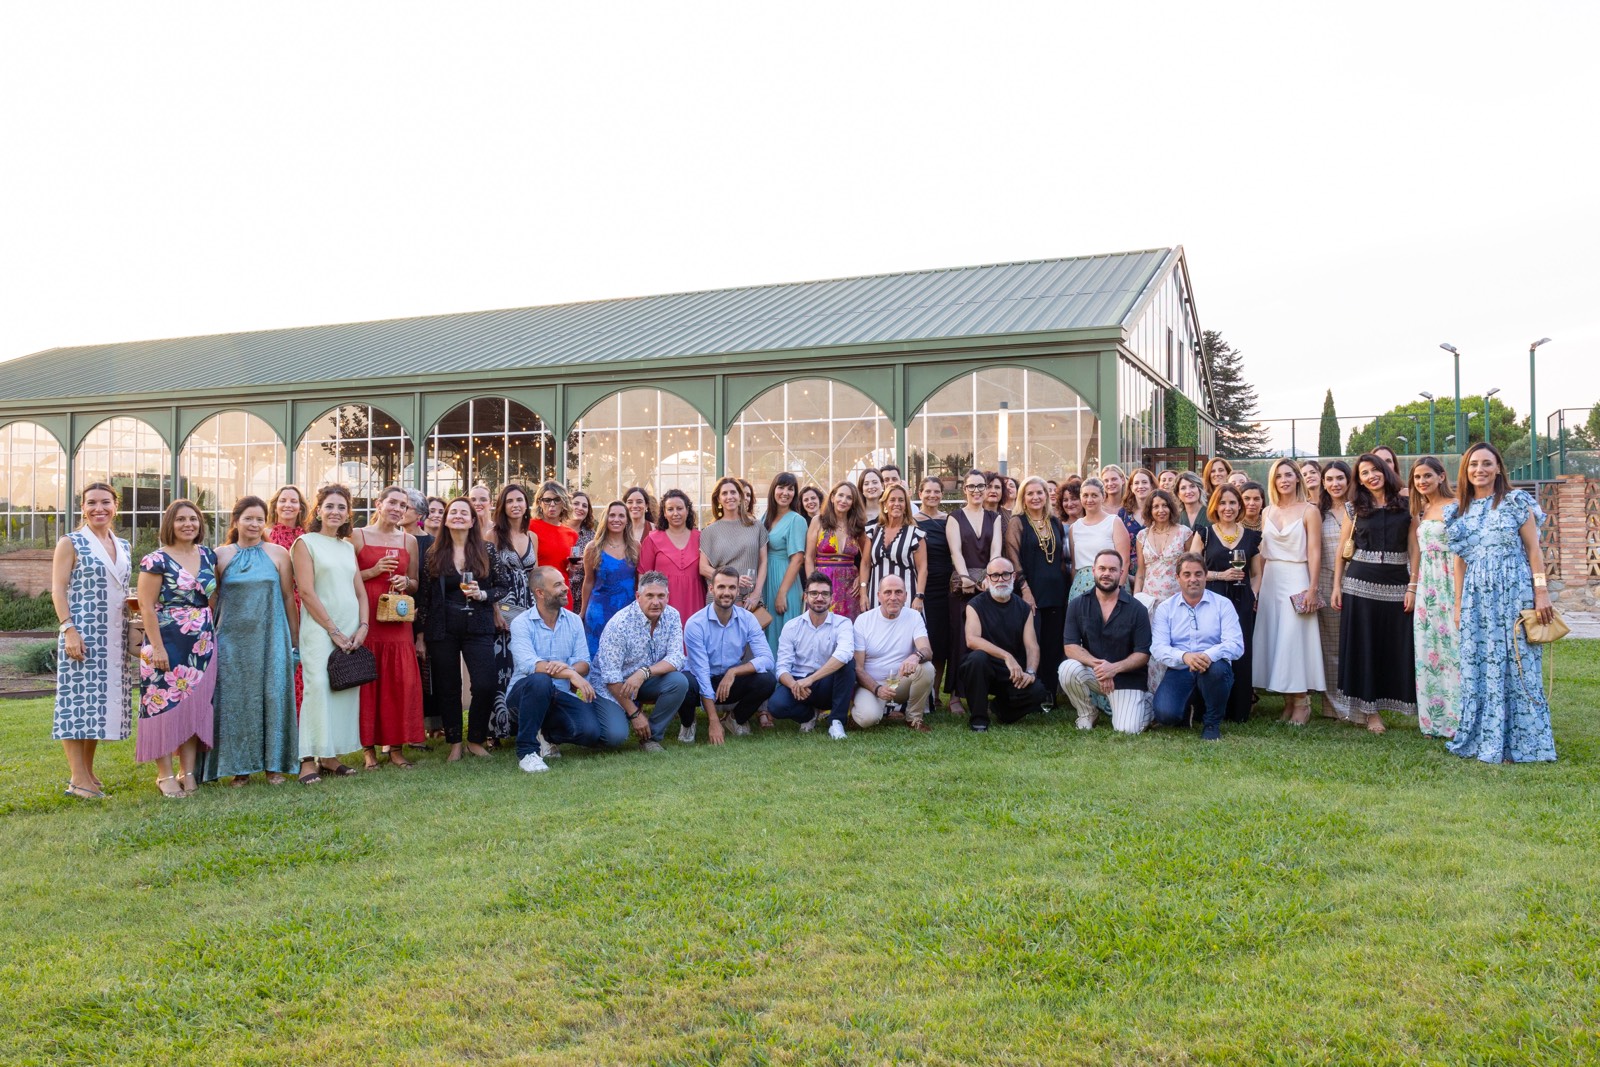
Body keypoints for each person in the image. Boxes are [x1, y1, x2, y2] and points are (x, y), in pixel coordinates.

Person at [1445, 442, 1555, 764]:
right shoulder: (1458, 511)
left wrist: (1541, 592)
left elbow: (1534, 551)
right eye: (1473, 464)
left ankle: (1522, 744)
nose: (1479, 469)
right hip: (1476, 597)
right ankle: (1485, 740)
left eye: (1486, 463)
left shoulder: (1515, 502)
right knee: (1480, 663)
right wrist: (1458, 605)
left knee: (1517, 663)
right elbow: (1460, 562)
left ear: (1498, 468)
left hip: (1514, 591)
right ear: (1465, 470)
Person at [204, 496, 297, 786]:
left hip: (272, 636)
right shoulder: (220, 555)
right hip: (232, 640)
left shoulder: (279, 553)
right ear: (236, 521)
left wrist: (294, 639)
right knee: (236, 702)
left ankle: (274, 766)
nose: (255, 524)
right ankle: (240, 768)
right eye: (248, 518)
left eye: (260, 519)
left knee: (273, 696)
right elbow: (213, 598)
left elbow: (288, 598)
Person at [51, 482, 133, 800]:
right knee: (76, 703)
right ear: (83, 508)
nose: (99, 508)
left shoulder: (123, 545)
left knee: (96, 705)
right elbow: (58, 589)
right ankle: (77, 779)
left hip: (113, 634)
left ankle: (87, 772)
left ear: (116, 506)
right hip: (82, 634)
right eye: (92, 503)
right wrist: (68, 629)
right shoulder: (70, 542)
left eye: (106, 502)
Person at [135, 499, 218, 797]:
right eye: (181, 519)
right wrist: (157, 648)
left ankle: (189, 772)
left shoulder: (208, 555)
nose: (188, 524)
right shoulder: (155, 560)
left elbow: (213, 598)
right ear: (170, 523)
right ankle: (165, 775)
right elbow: (145, 606)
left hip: (202, 644)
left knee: (194, 708)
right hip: (166, 642)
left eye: (193, 519)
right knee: (163, 707)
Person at [1330, 454, 1416, 733]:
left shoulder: (1407, 504)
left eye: (1375, 470)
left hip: (1397, 584)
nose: (1371, 476)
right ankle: (1371, 713)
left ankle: (1401, 703)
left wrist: (1413, 585)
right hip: (1359, 584)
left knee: (1393, 646)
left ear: (1386, 471)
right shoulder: (1354, 507)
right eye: (1364, 472)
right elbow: (1342, 549)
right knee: (1365, 647)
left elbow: (1414, 549)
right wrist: (1336, 586)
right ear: (1359, 479)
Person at [416, 496, 504, 762]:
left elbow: (503, 586)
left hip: (478, 624)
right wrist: (421, 635)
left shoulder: (487, 550)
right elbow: (425, 596)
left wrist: (483, 595)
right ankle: (455, 742)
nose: (458, 516)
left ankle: (475, 739)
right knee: (448, 686)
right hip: (442, 626)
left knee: (485, 684)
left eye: (464, 513)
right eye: (453, 512)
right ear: (445, 519)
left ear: (473, 520)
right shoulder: (433, 553)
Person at [293, 485, 367, 782]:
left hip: (350, 628)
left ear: (348, 514)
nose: (335, 512)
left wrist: (363, 626)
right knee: (318, 686)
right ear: (318, 510)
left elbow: (360, 592)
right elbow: (307, 592)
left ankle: (329, 757)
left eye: (341, 507)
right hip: (320, 628)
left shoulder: (347, 547)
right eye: (330, 506)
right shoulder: (305, 543)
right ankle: (306, 760)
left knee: (342, 689)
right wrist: (332, 630)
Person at [350, 486, 425, 768]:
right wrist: (374, 571)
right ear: (379, 504)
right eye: (392, 502)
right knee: (368, 682)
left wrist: (406, 582)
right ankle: (368, 750)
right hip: (366, 617)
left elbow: (415, 583)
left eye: (403, 505)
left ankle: (395, 748)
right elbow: (344, 577)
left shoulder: (409, 541)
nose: (397, 509)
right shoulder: (357, 536)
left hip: (397, 620)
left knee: (399, 682)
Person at [506, 566, 605, 773]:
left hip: (559, 694)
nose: (566, 588)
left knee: (590, 732)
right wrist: (569, 673)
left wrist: (570, 668)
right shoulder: (521, 623)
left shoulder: (574, 621)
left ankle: (545, 734)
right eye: (558, 585)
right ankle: (527, 752)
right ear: (540, 593)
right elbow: (530, 666)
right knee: (540, 680)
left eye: (564, 583)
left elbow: (584, 663)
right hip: (524, 695)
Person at [592, 571, 696, 753]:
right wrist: (635, 714)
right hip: (612, 686)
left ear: (668, 597)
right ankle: (599, 714)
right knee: (615, 736)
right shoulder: (620, 624)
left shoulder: (672, 615)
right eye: (650, 596)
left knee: (679, 682)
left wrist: (643, 672)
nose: (656, 602)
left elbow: (677, 657)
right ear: (638, 596)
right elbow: (610, 677)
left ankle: (650, 738)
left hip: (644, 680)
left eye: (661, 596)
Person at [1254, 459, 1325, 725]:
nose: (1283, 480)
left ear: (1297, 478)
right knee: (1276, 639)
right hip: (1271, 579)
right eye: (1278, 476)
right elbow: (1262, 553)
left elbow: (1314, 551)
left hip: (1297, 577)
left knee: (1294, 640)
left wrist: (1312, 587)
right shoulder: (1267, 512)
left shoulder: (1310, 511)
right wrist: (1257, 587)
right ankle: (1287, 702)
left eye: (1288, 475)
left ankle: (1302, 703)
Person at [1149, 554, 1245, 740]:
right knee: (1165, 715)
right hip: (1180, 667)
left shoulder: (1223, 604)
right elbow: (1158, 647)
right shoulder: (1166, 608)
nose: (1193, 579)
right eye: (1187, 574)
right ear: (1178, 578)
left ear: (1205, 576)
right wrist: (1185, 656)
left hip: (1213, 666)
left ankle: (1212, 723)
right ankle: (1187, 709)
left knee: (1217, 671)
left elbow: (1235, 644)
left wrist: (1207, 655)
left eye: (1198, 574)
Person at [1188, 484, 1262, 723]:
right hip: (1212, 599)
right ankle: (1207, 708)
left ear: (1239, 506)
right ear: (1214, 506)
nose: (1227, 508)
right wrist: (1221, 575)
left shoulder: (1251, 537)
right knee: (1211, 648)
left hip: (1242, 600)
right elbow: (1192, 571)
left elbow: (1256, 574)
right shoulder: (1204, 534)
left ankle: (1238, 709)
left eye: (1232, 503)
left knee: (1240, 651)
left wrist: (1253, 594)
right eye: (1222, 503)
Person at [1058, 549, 1152, 733]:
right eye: (1102, 568)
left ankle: (1147, 704)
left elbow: (1143, 654)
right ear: (1094, 571)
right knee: (1067, 669)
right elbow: (1070, 647)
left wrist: (1114, 669)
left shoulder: (1137, 609)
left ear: (1121, 573)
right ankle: (1087, 713)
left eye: (1112, 569)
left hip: (1126, 678)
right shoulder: (1077, 605)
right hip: (1096, 674)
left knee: (1127, 730)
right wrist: (1102, 668)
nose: (1106, 573)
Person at [685, 568, 777, 743]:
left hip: (729, 682)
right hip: (701, 680)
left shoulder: (748, 619)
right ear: (711, 589)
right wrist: (713, 721)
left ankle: (734, 719)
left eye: (732, 587)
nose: (726, 592)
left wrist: (733, 672)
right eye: (721, 587)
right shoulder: (695, 623)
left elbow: (767, 659)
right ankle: (688, 724)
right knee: (684, 683)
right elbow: (702, 673)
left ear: (738, 590)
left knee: (767, 680)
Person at [958, 558, 1049, 732]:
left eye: (1005, 574)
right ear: (988, 578)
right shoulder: (975, 605)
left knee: (1038, 691)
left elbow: (1032, 646)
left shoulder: (1023, 608)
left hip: (1012, 674)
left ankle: (1001, 709)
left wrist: (1030, 672)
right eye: (995, 575)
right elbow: (972, 640)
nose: (1000, 579)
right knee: (977, 659)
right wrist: (1007, 656)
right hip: (983, 669)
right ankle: (979, 718)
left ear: (1013, 577)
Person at [1408, 457, 1461, 739]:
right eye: (1417, 477)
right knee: (1429, 649)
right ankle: (1434, 720)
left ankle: (1460, 719)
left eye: (1427, 475)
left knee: (1454, 648)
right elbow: (1417, 552)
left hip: (1451, 580)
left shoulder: (1457, 506)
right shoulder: (1421, 509)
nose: (1422, 481)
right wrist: (1413, 585)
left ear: (1441, 476)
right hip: (1428, 585)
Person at [946, 469, 1004, 715]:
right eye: (972, 486)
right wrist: (966, 578)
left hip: (988, 586)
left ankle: (980, 694)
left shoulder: (995, 518)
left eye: (981, 486)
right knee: (960, 639)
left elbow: (996, 551)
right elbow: (956, 552)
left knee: (984, 639)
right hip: (962, 588)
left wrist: (989, 578)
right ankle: (955, 695)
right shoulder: (955, 517)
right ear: (965, 489)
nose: (977, 491)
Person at [1004, 476, 1069, 696]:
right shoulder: (1017, 522)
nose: (1035, 497)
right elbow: (1013, 559)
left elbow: (1061, 559)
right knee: (1034, 642)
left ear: (1046, 495)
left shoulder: (1055, 522)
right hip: (1030, 592)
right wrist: (1025, 590)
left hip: (1056, 592)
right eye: (1030, 493)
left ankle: (1049, 693)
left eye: (1039, 492)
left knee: (1053, 643)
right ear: (1023, 497)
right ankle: (1032, 691)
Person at [771, 573, 856, 740]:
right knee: (776, 706)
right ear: (805, 597)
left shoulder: (843, 623)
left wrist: (811, 679)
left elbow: (844, 653)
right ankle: (808, 716)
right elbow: (782, 667)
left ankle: (836, 722)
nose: (819, 598)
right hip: (799, 684)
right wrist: (794, 685)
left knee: (848, 663)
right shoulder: (792, 626)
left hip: (827, 684)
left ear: (831, 598)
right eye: (814, 593)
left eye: (824, 594)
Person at [485, 483, 537, 741]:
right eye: (510, 501)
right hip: (502, 607)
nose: (515, 505)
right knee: (500, 666)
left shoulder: (532, 536)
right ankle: (495, 730)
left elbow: (534, 576)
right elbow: (486, 576)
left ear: (526, 505)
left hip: (527, 608)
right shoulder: (493, 535)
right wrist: (494, 610)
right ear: (502, 506)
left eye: (520, 500)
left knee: (522, 664)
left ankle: (520, 725)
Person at [850, 574, 935, 731]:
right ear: (879, 596)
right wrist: (877, 689)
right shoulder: (863, 621)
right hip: (871, 685)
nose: (893, 597)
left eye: (898, 592)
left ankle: (913, 718)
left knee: (927, 668)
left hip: (898, 683)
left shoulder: (914, 617)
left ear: (906, 596)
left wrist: (916, 656)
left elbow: (927, 651)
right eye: (887, 592)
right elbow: (858, 668)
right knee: (868, 718)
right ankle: (859, 711)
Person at [1313, 461, 1359, 723]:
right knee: (1331, 645)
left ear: (1349, 480)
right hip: (1328, 581)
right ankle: (1334, 705)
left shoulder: (1360, 508)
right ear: (1323, 483)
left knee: (1357, 644)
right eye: (1329, 479)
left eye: (1340, 478)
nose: (1335, 484)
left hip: (1360, 579)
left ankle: (1360, 702)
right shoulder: (1318, 513)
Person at [639, 488, 706, 634]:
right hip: (663, 603)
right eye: (670, 509)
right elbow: (643, 576)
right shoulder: (652, 539)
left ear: (687, 510)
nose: (675, 513)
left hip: (695, 601)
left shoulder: (701, 537)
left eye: (679, 508)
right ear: (664, 513)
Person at [266, 484, 308, 710]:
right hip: (274, 604)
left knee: (301, 662)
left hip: (304, 605)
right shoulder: (265, 535)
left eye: (293, 501)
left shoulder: (308, 537)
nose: (288, 505)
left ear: (301, 507)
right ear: (275, 506)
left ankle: (300, 717)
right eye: (283, 500)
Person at [700, 476, 767, 613]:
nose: (729, 497)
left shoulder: (756, 526)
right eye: (724, 493)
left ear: (740, 496)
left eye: (733, 492)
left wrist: (757, 594)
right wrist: (733, 580)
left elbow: (763, 562)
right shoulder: (709, 531)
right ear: (718, 499)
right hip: (720, 598)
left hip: (749, 599)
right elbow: (703, 568)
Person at [916, 476, 954, 712]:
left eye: (936, 491)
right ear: (920, 493)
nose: (932, 495)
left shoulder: (949, 520)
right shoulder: (912, 521)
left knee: (940, 639)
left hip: (945, 584)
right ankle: (921, 691)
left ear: (942, 494)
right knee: (922, 637)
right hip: (921, 584)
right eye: (928, 491)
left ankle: (935, 692)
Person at [581, 501, 638, 655]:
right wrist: (583, 612)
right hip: (599, 611)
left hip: (628, 611)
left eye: (621, 516)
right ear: (605, 519)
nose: (616, 519)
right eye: (612, 515)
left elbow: (639, 582)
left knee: (626, 655)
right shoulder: (593, 547)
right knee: (597, 655)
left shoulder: (635, 547)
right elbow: (588, 581)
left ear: (627, 520)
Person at [762, 472, 809, 657]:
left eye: (791, 489)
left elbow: (797, 559)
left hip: (784, 581)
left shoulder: (796, 520)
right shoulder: (765, 517)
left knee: (783, 636)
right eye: (781, 487)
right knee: (767, 632)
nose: (785, 493)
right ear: (773, 490)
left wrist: (782, 593)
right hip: (767, 579)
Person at [806, 480, 869, 620]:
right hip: (822, 581)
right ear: (832, 497)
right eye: (840, 495)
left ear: (853, 502)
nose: (844, 500)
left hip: (850, 586)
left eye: (849, 497)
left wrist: (861, 579)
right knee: (821, 624)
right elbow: (809, 557)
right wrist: (812, 586)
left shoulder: (857, 525)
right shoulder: (818, 521)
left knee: (849, 625)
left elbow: (866, 560)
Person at [865, 483, 926, 610]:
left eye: (901, 500)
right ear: (885, 504)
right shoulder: (872, 531)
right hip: (876, 597)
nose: (897, 504)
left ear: (906, 505)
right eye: (892, 500)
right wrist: (863, 592)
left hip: (907, 598)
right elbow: (865, 564)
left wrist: (919, 596)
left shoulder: (915, 534)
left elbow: (922, 568)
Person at [1068, 477, 1129, 600]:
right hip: (1081, 588)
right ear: (1080, 497)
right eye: (1085, 495)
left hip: (1111, 584)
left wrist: (1118, 590)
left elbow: (1125, 561)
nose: (1089, 500)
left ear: (1103, 497)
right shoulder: (1074, 528)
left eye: (1094, 495)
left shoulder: (1114, 522)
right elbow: (1074, 566)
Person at [1132, 488, 1190, 611]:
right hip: (1149, 602)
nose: (1161, 510)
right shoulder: (1142, 536)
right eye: (1156, 507)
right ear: (1150, 510)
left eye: (1165, 505)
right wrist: (1136, 598)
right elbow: (1141, 571)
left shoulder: (1184, 533)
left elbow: (1191, 568)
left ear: (1171, 508)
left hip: (1177, 600)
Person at [530, 482, 578, 608]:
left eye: (557, 500)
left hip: (563, 595)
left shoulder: (571, 534)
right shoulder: (530, 527)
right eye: (547, 500)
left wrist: (572, 568)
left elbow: (567, 571)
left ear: (563, 503)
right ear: (540, 503)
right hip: (540, 595)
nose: (552, 504)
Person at [567, 491, 597, 594]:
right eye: (576, 504)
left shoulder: (592, 536)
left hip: (583, 592)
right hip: (559, 589)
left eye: (584, 506)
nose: (580, 508)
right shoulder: (557, 530)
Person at [1175, 471, 1209, 537]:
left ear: (1199, 489)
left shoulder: (1212, 515)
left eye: (1192, 486)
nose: (1188, 491)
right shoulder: (1175, 518)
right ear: (1178, 494)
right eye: (1183, 488)